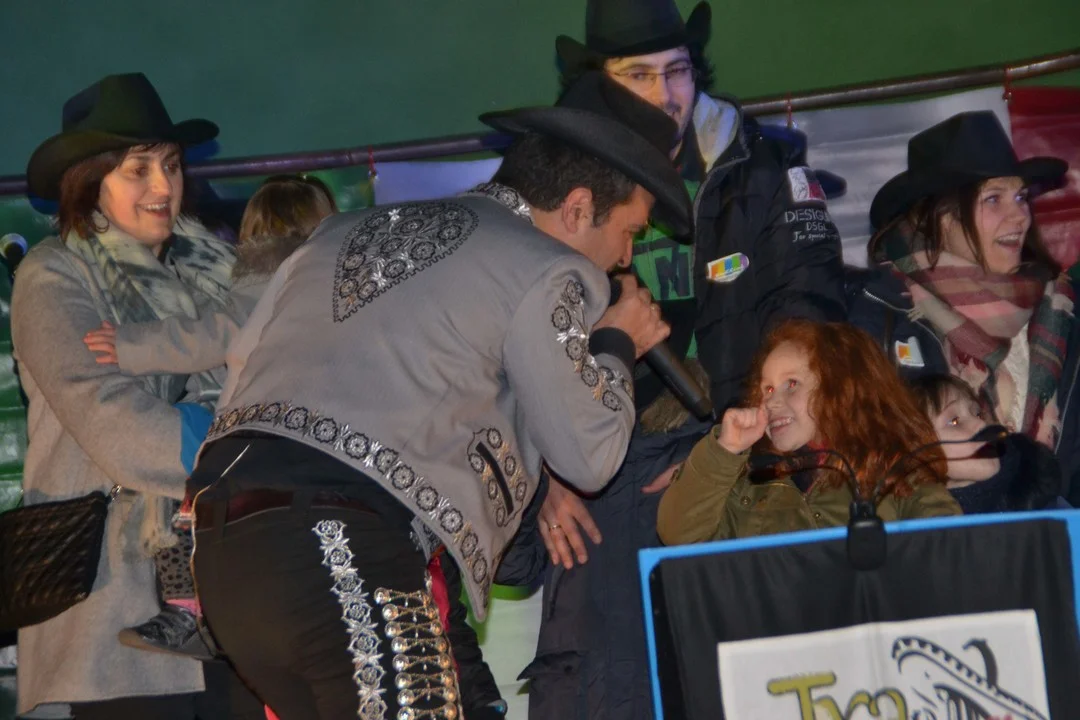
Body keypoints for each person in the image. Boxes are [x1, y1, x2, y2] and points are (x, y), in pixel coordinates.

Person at [185, 71, 688, 720]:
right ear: (577, 208)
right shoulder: (548, 265)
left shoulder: (338, 232)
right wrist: (617, 341)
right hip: (340, 542)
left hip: (224, 554)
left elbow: (240, 366)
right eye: (630, 231)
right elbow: (591, 456)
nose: (624, 258)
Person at [518, 1, 846, 717]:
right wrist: (540, 474)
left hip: (738, 454)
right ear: (597, 82)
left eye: (678, 71)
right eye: (638, 74)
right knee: (606, 684)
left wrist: (729, 453)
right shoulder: (554, 185)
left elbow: (812, 316)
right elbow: (511, 353)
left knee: (744, 676)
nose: (666, 94)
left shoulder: (761, 165)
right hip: (601, 467)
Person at [12, 72, 261, 719]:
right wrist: (242, 451)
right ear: (88, 181)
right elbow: (110, 419)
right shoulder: (54, 273)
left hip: (233, 592)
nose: (163, 186)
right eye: (138, 170)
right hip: (115, 599)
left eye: (171, 165)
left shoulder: (215, 269)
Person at [846, 111, 1080, 505]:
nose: (1019, 216)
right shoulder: (883, 317)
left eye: (1021, 197)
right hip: (949, 537)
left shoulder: (1063, 307)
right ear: (942, 218)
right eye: (994, 199)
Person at [657, 320, 961, 546]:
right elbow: (678, 534)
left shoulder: (898, 473)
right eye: (767, 389)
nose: (772, 402)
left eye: (791, 384)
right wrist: (724, 451)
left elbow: (951, 549)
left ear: (843, 389)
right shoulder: (747, 482)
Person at [910, 373, 1066, 513]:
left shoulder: (1041, 495)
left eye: (978, 413)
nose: (981, 424)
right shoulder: (920, 524)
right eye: (955, 421)